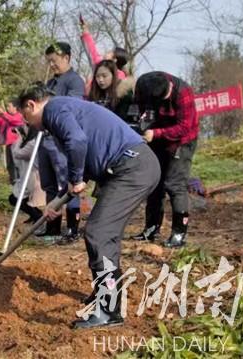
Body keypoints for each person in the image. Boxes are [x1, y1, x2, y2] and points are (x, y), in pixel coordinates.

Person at [18, 82, 160, 329]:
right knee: (107, 234)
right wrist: (59, 200)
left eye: (25, 116)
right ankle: (107, 295)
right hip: (134, 166)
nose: (28, 122)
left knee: (98, 232)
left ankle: (108, 309)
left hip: (131, 167)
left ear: (31, 105)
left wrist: (75, 179)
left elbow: (78, 142)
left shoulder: (54, 110)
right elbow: (83, 161)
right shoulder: (67, 110)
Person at [131, 72, 199, 248]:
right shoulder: (144, 86)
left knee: (175, 184)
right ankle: (151, 227)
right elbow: (138, 109)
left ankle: (179, 232)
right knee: (155, 183)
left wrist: (157, 133)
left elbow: (184, 128)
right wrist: (141, 125)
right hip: (156, 138)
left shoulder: (183, 92)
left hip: (182, 141)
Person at [41, 42, 85, 244]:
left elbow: (71, 107)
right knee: (48, 183)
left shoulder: (75, 82)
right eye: (49, 61)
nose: (52, 65)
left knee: (66, 183)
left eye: (54, 61)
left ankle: (73, 228)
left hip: (60, 140)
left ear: (66, 58)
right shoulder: (50, 83)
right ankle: (53, 228)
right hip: (45, 138)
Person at [8, 126, 46, 232]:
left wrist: (18, 139)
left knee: (16, 199)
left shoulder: (32, 144)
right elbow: (16, 161)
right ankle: (35, 215)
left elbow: (17, 154)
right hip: (26, 177)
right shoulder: (26, 143)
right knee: (17, 199)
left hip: (33, 178)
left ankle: (38, 217)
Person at [0, 101, 24, 184]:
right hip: (9, 143)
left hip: (17, 143)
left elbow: (13, 121)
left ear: (15, 107)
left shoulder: (19, 116)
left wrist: (3, 114)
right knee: (9, 163)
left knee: (16, 163)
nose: (8, 108)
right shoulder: (7, 118)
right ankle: (13, 180)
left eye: (9, 106)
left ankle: (19, 181)